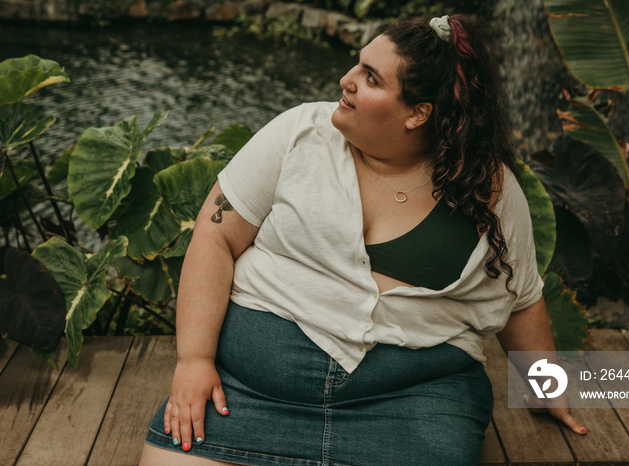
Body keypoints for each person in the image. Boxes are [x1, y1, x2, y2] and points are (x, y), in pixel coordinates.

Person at [140, 14, 585, 466]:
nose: (346, 80)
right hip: (250, 391)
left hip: (410, 408)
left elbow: (522, 298)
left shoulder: (488, 190)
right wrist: (194, 361)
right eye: (358, 65)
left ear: (418, 113)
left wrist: (545, 387)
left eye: (370, 78)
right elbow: (214, 237)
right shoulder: (299, 134)